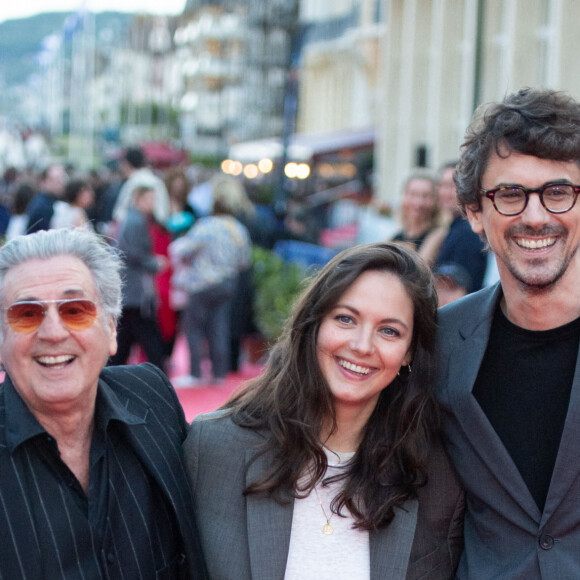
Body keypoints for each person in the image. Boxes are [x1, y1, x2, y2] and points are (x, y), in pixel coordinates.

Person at [185, 242, 464, 579]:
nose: (362, 346)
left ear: (408, 353)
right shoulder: (215, 449)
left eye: (389, 331)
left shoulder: (436, 478)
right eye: (346, 319)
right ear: (315, 323)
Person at [0, 227, 206, 578]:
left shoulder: (150, 397)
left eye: (75, 310)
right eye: (27, 314)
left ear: (111, 328)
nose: (52, 332)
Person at [437, 87, 580, 579]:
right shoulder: (437, 341)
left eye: (558, 192)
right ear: (476, 213)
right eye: (511, 194)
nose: (535, 216)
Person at [169, 177, 252, 387]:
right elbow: (244, 262)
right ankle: (219, 373)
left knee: (194, 328)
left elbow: (185, 250)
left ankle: (195, 374)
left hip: (202, 284)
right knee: (219, 328)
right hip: (228, 283)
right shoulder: (238, 229)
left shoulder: (205, 226)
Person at [109, 186, 168, 371]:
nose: (152, 203)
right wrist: (154, 263)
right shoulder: (135, 221)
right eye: (149, 199)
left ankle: (114, 369)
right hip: (136, 288)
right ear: (138, 199)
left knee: (126, 334)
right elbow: (133, 253)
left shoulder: (132, 219)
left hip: (131, 287)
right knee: (145, 333)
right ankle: (158, 370)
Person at [433, 161, 487, 293]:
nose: (446, 193)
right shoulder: (455, 228)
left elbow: (459, 289)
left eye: (452, 186)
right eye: (443, 186)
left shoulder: (468, 231)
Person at [391, 169, 447, 266]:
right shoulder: (396, 236)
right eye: (413, 194)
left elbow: (420, 268)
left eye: (426, 196)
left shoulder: (439, 234)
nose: (418, 203)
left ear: (436, 201)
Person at [25, 164, 68, 233]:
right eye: (57, 179)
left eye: (63, 178)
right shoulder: (42, 206)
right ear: (44, 181)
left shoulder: (50, 201)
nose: (61, 182)